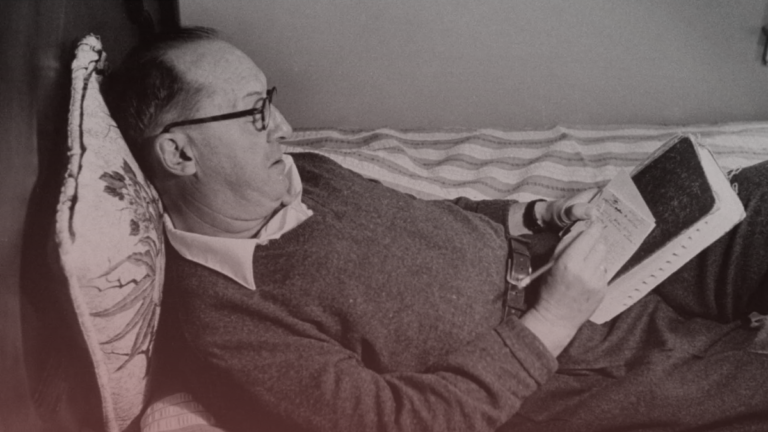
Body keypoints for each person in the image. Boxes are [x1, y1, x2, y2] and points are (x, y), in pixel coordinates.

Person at [104, 27, 768, 432]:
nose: (284, 128)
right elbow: (401, 421)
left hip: (563, 258)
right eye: (255, 113)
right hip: (559, 361)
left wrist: (538, 214)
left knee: (757, 192)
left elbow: (436, 215)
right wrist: (557, 316)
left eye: (270, 102)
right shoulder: (227, 318)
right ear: (180, 153)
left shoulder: (303, 174)